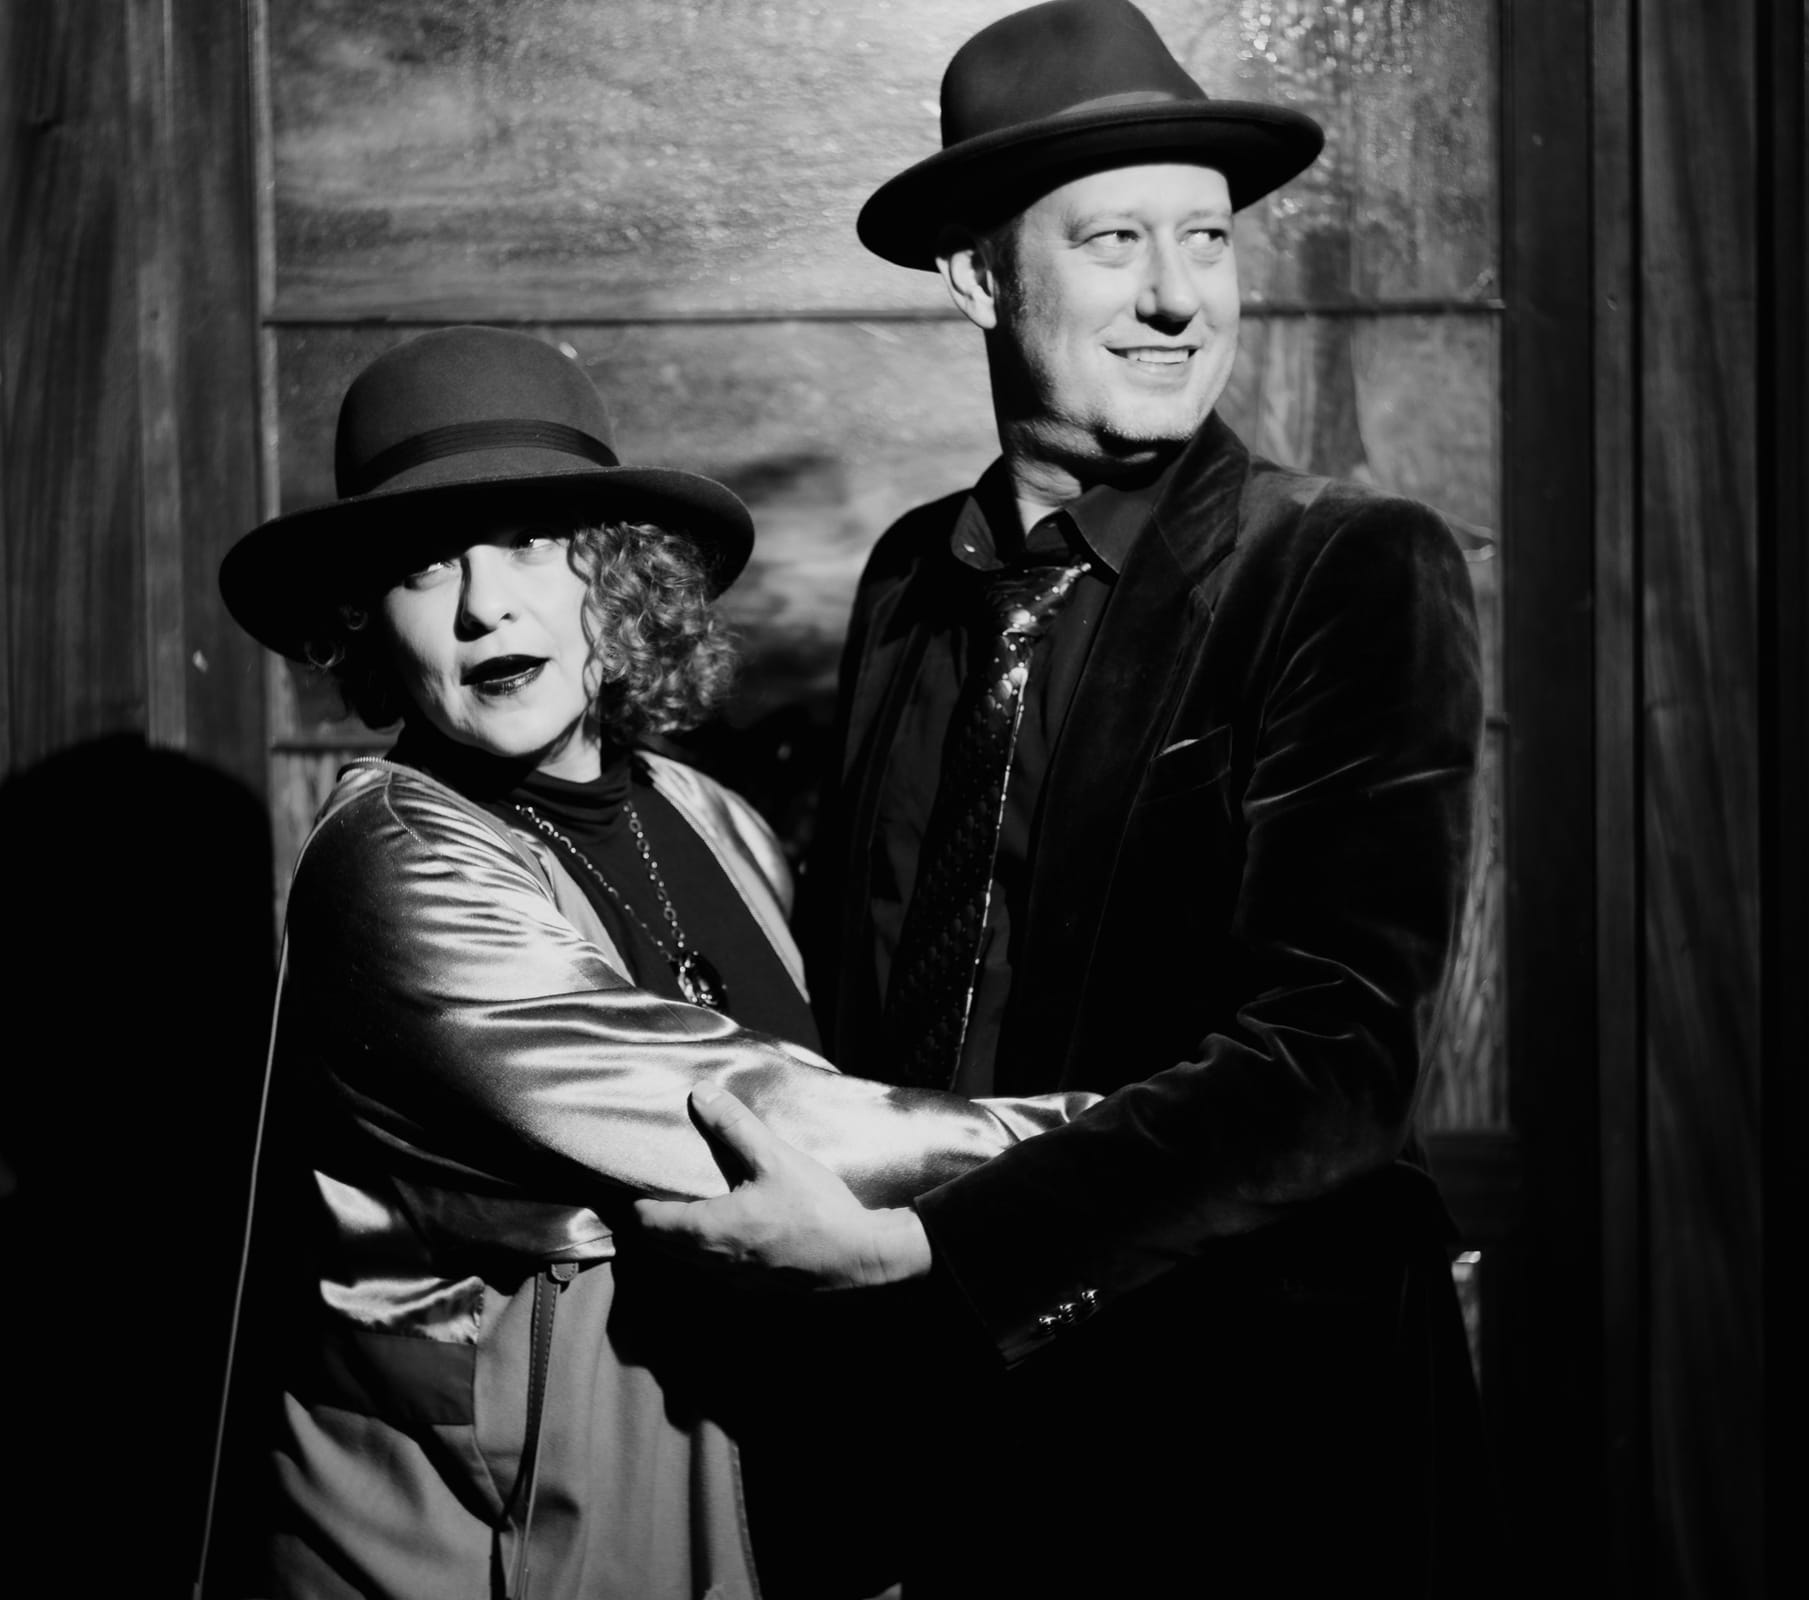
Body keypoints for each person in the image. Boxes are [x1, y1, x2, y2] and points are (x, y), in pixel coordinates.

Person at [637, 2, 1496, 1595]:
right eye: (1114, 241)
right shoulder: (913, 577)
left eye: (1206, 239)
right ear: (978, 276)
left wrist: (939, 1251)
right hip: (950, 1442)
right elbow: (876, 981)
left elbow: (1335, 1059)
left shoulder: (1345, 566)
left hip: (1255, 1441)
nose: (1178, 296)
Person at [210, 326, 1092, 1600]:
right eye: (423, 566)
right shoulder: (392, 862)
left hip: (774, 1502)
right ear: (366, 622)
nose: (482, 605)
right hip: (525, 1553)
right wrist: (1150, 1146)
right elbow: (763, 1121)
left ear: (618, 578)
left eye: (530, 543)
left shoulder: (705, 812)